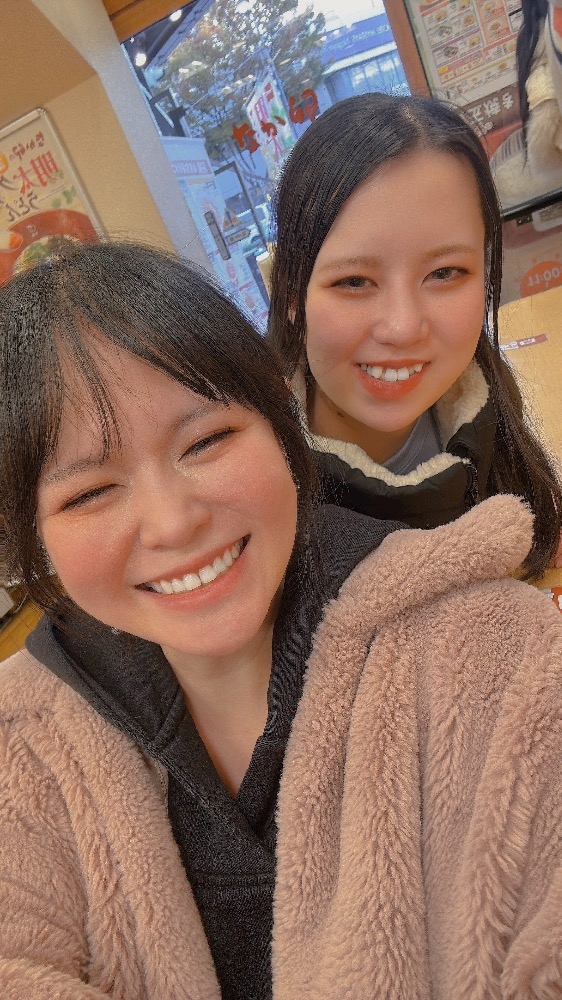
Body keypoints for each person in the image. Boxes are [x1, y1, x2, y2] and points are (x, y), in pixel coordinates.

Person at [0, 241, 562, 1000]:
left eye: (206, 441)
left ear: (280, 422)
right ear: (32, 539)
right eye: (89, 493)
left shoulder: (503, 656)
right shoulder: (22, 738)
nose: (172, 523)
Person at [268, 92, 562, 580]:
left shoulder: (486, 400)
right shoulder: (261, 487)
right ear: (292, 293)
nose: (404, 327)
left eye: (445, 272)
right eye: (354, 281)